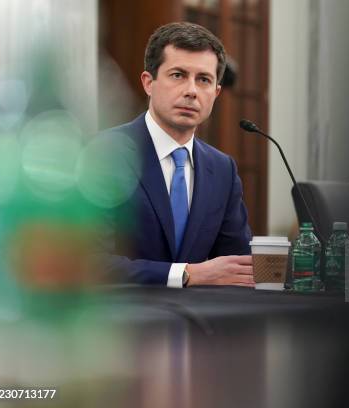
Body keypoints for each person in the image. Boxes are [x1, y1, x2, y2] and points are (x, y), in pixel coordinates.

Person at [95, 22, 253, 288]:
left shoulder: (222, 168)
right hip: (123, 321)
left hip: (205, 324)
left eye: (203, 80)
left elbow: (236, 264)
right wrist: (186, 273)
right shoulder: (104, 153)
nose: (191, 90)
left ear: (215, 93)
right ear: (148, 83)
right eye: (178, 75)